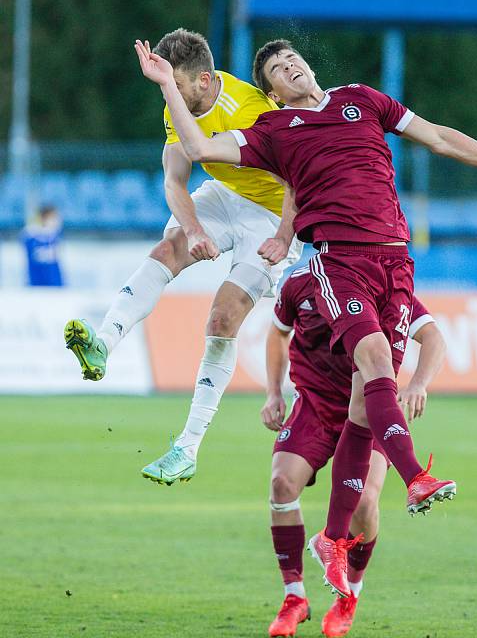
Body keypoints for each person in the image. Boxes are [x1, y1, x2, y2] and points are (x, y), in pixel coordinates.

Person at [133, 37, 477, 594]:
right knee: (375, 356)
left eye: (292, 59)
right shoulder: (273, 133)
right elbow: (196, 147)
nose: (291, 66)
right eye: (276, 69)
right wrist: (169, 83)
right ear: (271, 93)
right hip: (340, 259)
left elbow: (436, 136)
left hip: (395, 261)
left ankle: (334, 539)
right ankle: (415, 478)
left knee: (370, 391)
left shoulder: (362, 99)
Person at [65, 29, 300, 484]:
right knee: (166, 247)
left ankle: (186, 448)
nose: (170, 96)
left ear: (206, 80)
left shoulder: (251, 108)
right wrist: (192, 230)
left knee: (222, 319)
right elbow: (175, 180)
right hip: (227, 194)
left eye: (176, 86)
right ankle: (102, 343)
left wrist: (287, 235)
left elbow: (298, 175)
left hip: (273, 215)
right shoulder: (178, 102)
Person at [262, 264, 446, 638]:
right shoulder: (300, 284)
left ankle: (350, 596)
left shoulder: (379, 285)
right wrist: (273, 392)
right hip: (316, 406)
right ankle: (294, 597)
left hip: (368, 407)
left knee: (364, 504)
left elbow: (433, 337)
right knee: (281, 484)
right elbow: (277, 334)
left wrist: (419, 383)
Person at [22, 204, 65, 287]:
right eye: (53, 217)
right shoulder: (31, 234)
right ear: (44, 217)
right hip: (37, 281)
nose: (57, 220)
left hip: (55, 282)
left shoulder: (56, 234)